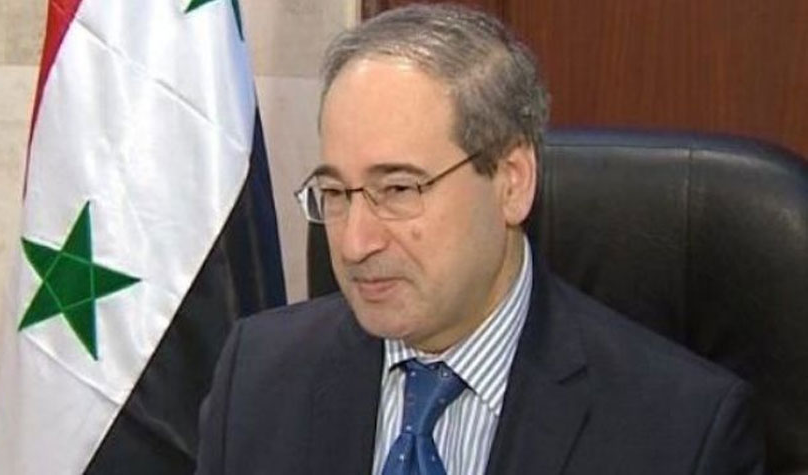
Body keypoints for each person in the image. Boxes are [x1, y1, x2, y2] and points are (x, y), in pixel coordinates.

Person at [196, 4, 764, 474]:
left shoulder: (681, 432)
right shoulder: (258, 377)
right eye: (336, 193)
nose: (354, 244)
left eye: (398, 188)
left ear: (512, 183)